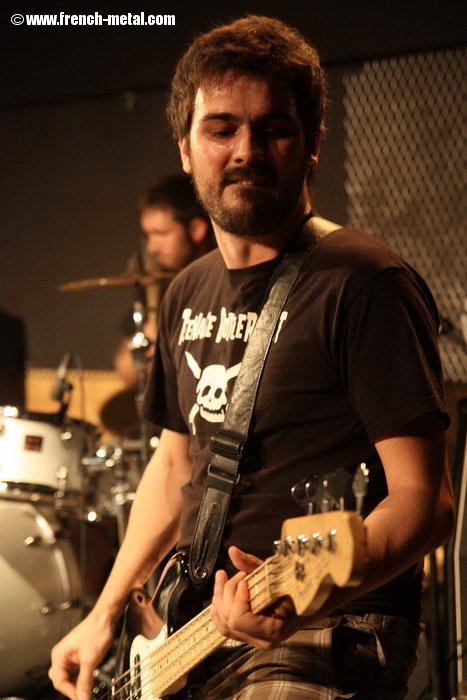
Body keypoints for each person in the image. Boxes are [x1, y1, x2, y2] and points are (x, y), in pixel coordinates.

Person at [49, 15, 455, 699]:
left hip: (325, 624)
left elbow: (424, 499)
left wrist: (308, 595)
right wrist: (104, 612)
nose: (246, 150)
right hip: (193, 630)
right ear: (185, 149)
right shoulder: (185, 291)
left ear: (312, 143)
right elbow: (173, 464)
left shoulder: (364, 284)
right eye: (221, 129)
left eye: (273, 129)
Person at [113, 174, 213, 389]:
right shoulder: (157, 287)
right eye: (148, 235)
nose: (152, 247)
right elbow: (126, 374)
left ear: (196, 229)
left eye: (161, 233)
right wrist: (146, 342)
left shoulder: (224, 283)